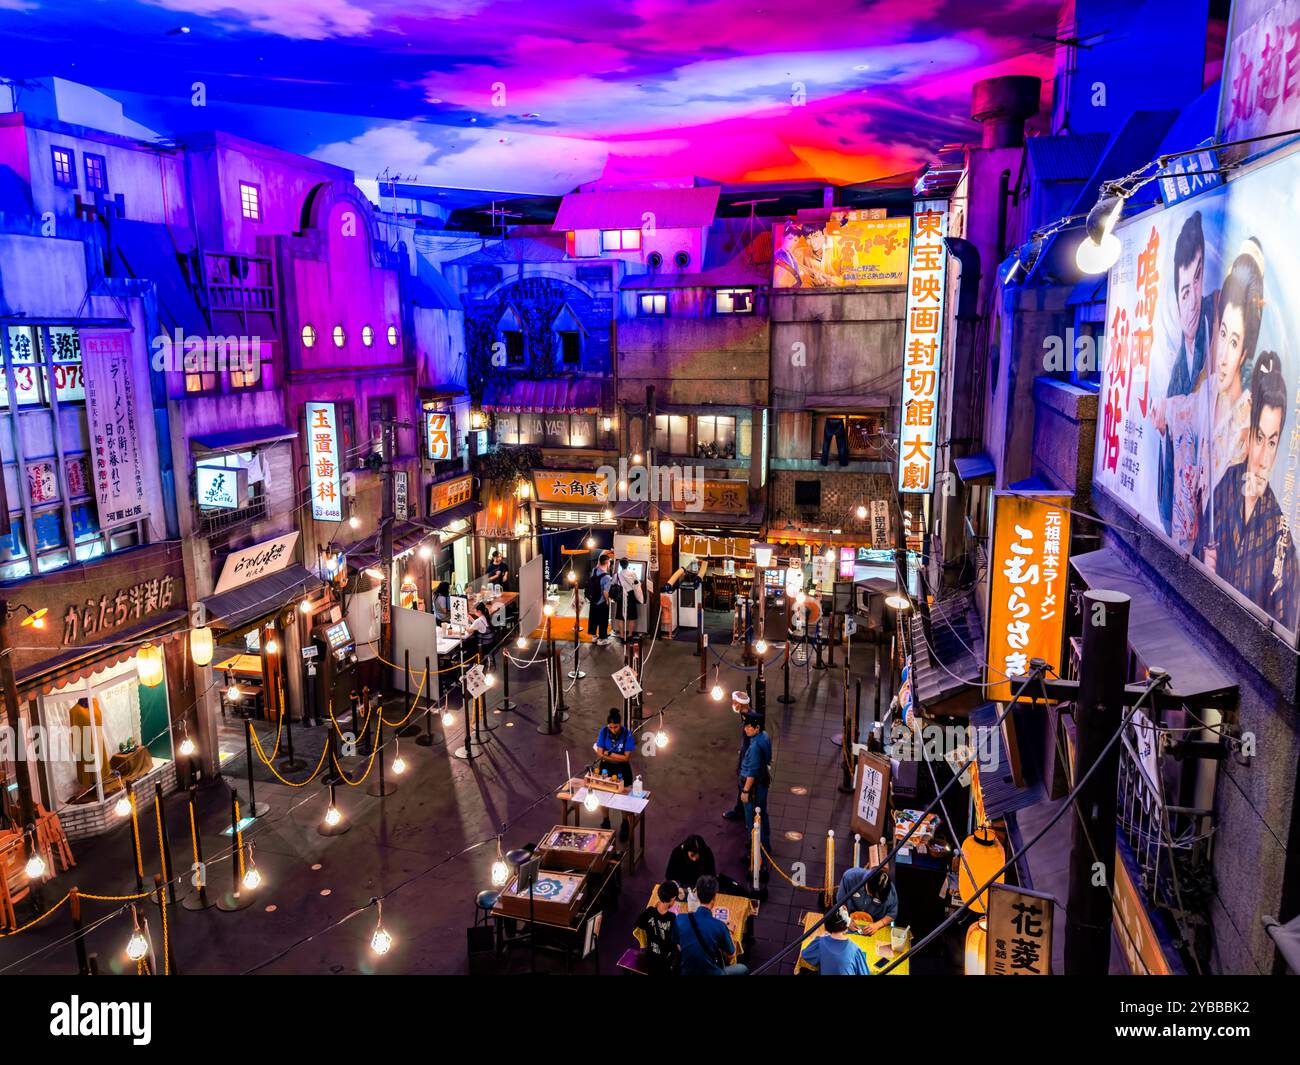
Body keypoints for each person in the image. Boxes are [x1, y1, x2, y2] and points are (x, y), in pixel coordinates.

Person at [1195, 351, 1299, 629]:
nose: (1263, 457)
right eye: (1259, 438)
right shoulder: (1226, 486)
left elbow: (1283, 631)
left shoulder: (1281, 536)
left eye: (1273, 443)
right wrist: (1204, 565)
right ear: (1249, 433)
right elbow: (1192, 562)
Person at [1152, 211, 1214, 547]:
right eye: (1184, 292)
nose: (1192, 303)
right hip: (1181, 509)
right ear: (1176, 299)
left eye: (1198, 280)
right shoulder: (1176, 370)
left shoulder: (1216, 327)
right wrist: (1165, 423)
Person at [675, 875, 747, 975]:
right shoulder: (719, 926)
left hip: (686, 972)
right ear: (714, 898)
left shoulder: (679, 919)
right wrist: (729, 931)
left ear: (698, 896)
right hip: (711, 972)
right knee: (742, 969)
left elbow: (677, 946)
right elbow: (731, 955)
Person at [593, 708, 635, 837]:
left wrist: (609, 753)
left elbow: (626, 758)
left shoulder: (627, 735)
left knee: (623, 797)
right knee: (602, 795)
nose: (613, 730)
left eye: (615, 727)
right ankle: (606, 821)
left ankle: (624, 823)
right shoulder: (603, 732)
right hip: (606, 768)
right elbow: (600, 753)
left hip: (623, 769)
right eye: (610, 727)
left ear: (620, 724)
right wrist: (613, 755)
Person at [738, 712, 772, 862]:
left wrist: (745, 791)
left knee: (752, 821)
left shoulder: (754, 748)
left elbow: (751, 773)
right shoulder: (764, 736)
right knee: (762, 814)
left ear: (756, 728)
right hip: (763, 783)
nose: (746, 729)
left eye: (749, 727)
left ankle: (757, 854)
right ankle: (766, 845)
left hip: (753, 788)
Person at [799, 907, 872, 975]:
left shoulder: (820, 942)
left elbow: (805, 954)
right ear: (846, 925)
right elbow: (865, 973)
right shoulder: (854, 949)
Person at [633, 880, 681, 974]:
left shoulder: (649, 911)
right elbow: (677, 942)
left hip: (650, 956)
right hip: (666, 961)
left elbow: (638, 924)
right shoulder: (672, 918)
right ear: (673, 898)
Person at [836, 866, 898, 935]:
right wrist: (847, 919)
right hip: (850, 919)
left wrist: (878, 925)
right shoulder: (850, 877)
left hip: (875, 926)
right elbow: (840, 903)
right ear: (866, 882)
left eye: (876, 898)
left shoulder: (890, 891)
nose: (870, 897)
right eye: (871, 894)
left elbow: (892, 914)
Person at [613, 557, 643, 641]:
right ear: (628, 564)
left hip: (621, 596)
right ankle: (630, 635)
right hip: (630, 596)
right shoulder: (633, 574)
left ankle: (622, 636)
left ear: (620, 565)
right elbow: (637, 584)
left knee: (620, 617)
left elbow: (613, 583)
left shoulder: (617, 575)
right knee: (631, 616)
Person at [586, 557, 612, 646]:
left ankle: (594, 637)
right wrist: (607, 601)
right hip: (601, 602)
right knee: (603, 621)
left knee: (593, 619)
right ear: (608, 563)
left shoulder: (594, 570)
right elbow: (605, 592)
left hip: (593, 600)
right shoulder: (607, 577)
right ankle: (602, 639)